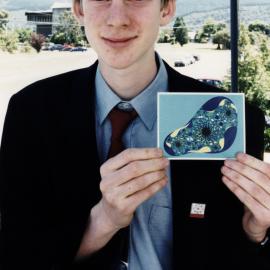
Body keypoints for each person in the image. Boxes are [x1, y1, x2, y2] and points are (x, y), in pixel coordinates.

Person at [0, 0, 270, 269]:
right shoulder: (31, 113)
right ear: (79, 9)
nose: (118, 19)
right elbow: (17, 253)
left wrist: (255, 234)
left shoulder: (234, 119)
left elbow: (235, 255)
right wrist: (102, 222)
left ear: (166, 9)